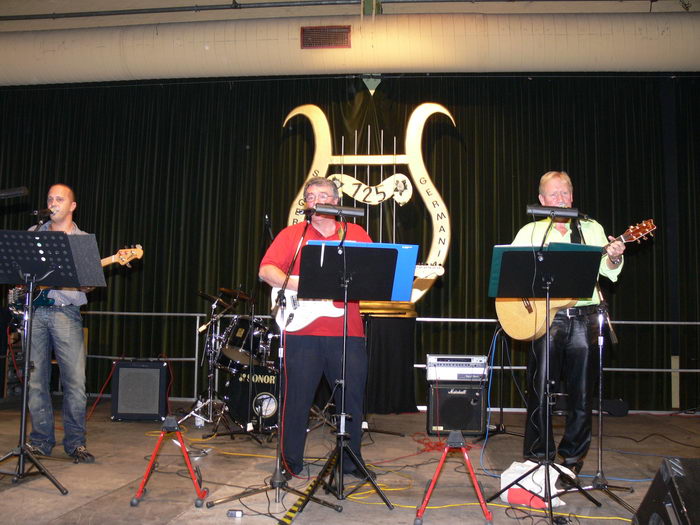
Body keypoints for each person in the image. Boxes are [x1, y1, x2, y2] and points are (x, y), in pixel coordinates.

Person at [511, 171, 625, 477]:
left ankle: (572, 460)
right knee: (540, 388)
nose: (559, 199)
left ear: (572, 197)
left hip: (584, 318)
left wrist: (613, 257)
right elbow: (512, 274)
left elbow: (609, 270)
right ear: (542, 200)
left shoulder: (590, 228)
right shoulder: (530, 232)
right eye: (553, 195)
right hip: (545, 318)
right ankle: (538, 458)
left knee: (582, 393)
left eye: (564, 194)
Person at [259, 176, 373, 479]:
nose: (317, 200)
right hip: (301, 333)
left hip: (347, 334)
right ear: (306, 204)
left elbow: (374, 273)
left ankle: (351, 461)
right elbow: (266, 269)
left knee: (351, 402)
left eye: (323, 195)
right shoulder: (293, 235)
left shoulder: (357, 233)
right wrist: (299, 283)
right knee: (296, 401)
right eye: (310, 196)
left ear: (336, 202)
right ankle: (289, 463)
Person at [27, 183, 95, 463]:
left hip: (65, 312)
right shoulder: (34, 233)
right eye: (49, 199)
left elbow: (89, 286)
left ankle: (75, 443)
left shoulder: (82, 239)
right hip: (35, 313)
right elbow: (21, 274)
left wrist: (82, 277)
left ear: (72, 206)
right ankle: (40, 441)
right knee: (35, 381)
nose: (53, 203)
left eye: (60, 199)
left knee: (75, 382)